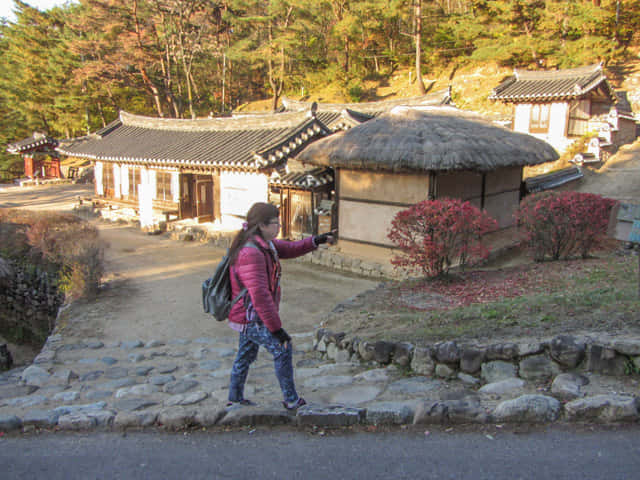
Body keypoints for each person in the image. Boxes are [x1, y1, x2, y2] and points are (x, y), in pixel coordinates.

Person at [226, 202, 335, 410]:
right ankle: (291, 400)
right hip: (252, 316)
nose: (279, 227)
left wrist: (317, 240)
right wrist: (277, 330)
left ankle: (235, 397)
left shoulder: (266, 244)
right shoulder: (252, 253)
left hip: (249, 314)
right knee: (282, 349)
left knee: (245, 355)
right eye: (275, 223)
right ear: (261, 226)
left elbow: (291, 248)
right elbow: (260, 297)